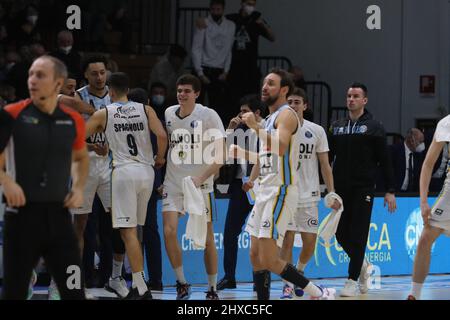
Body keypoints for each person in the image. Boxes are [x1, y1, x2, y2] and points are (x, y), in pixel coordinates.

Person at [235, 69, 335, 300]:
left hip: (280, 190)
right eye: (264, 83)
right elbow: (267, 156)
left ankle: (317, 293)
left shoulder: (286, 115)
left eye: (271, 83)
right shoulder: (269, 119)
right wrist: (240, 152)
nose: (264, 87)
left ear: (284, 90)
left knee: (270, 258)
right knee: (255, 254)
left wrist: (255, 127)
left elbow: (280, 147)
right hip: (265, 190)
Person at [0, 55, 88, 300]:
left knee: (73, 293)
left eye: (40, 75)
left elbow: (81, 158)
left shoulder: (73, 120)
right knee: (14, 294)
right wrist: (6, 182)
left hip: (59, 219)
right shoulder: (11, 114)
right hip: (21, 217)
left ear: (58, 84)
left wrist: (79, 186)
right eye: (30, 74)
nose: (32, 80)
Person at [86, 72, 167, 299]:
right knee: (137, 230)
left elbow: (78, 135)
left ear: (110, 91)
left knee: (127, 232)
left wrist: (94, 146)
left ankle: (141, 287)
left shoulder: (105, 113)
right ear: (128, 90)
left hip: (123, 173)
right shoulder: (145, 109)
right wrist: (160, 157)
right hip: (147, 172)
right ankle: (138, 285)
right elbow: (161, 135)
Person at [328, 82, 397, 297]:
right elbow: (327, 158)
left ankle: (351, 280)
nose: (351, 99)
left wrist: (390, 189)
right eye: (349, 95)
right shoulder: (336, 126)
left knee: (358, 234)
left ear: (364, 100)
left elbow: (385, 161)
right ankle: (363, 264)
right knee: (339, 234)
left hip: (363, 188)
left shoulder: (375, 126)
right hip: (340, 189)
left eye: (356, 96)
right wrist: (327, 186)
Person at [163, 74, 226, 300]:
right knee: (169, 231)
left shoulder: (209, 115)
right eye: (179, 90)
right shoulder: (169, 113)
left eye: (187, 91)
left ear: (197, 94)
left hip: (201, 185)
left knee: (207, 238)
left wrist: (201, 178)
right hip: (173, 182)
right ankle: (182, 283)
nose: (182, 94)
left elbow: (220, 155)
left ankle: (211, 288)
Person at [277, 87, 341, 299]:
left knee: (309, 244)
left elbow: (325, 164)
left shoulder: (317, 131)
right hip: (287, 195)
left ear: (305, 106)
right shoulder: (281, 128)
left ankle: (299, 273)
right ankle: (287, 284)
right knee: (286, 240)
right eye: (290, 102)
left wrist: (331, 192)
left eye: (297, 102)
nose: (293, 105)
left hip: (309, 196)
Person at [73, 55, 127, 297]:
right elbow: (71, 137)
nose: (99, 77)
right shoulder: (78, 96)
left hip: (110, 165)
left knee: (121, 221)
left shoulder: (116, 95)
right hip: (84, 164)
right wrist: (92, 146)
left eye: (102, 72)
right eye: (94, 73)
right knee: (80, 225)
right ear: (86, 75)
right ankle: (76, 283)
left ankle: (116, 277)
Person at [217, 94, 264, 290]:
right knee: (229, 233)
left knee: (261, 235)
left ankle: (260, 279)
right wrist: (229, 129)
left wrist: (254, 180)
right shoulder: (239, 129)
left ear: (257, 113)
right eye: (241, 111)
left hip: (262, 186)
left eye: (245, 111)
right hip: (239, 185)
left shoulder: (267, 129)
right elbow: (222, 152)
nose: (241, 115)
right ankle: (229, 277)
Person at [407, 115, 450, 300]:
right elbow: (428, 164)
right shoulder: (446, 123)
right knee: (425, 238)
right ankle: (414, 295)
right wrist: (423, 202)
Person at [128, 87, 164, 291]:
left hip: (128, 178)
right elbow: (162, 152)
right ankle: (156, 279)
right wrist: (159, 180)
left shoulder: (123, 120)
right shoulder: (154, 121)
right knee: (150, 229)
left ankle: (136, 278)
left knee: (129, 230)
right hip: (150, 179)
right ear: (148, 101)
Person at [226, 0, 275, 115]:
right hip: (233, 65)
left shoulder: (256, 18)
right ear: (242, 3)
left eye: (253, 4)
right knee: (232, 98)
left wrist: (262, 24)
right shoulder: (232, 19)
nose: (250, 6)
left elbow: (272, 37)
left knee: (251, 99)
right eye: (248, 3)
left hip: (250, 67)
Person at [192, 0, 236, 123]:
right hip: (203, 67)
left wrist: (226, 71)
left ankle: (215, 131)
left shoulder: (230, 25)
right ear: (210, 10)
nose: (216, 12)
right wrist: (200, 72)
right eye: (214, 9)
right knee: (197, 103)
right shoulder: (204, 23)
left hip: (219, 70)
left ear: (223, 10)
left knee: (218, 106)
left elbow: (229, 49)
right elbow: (197, 48)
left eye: (219, 9)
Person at [390, 128, 425, 192]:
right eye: (420, 142)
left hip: (410, 194)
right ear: (412, 140)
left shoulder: (418, 156)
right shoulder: (394, 151)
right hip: (394, 192)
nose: (422, 145)